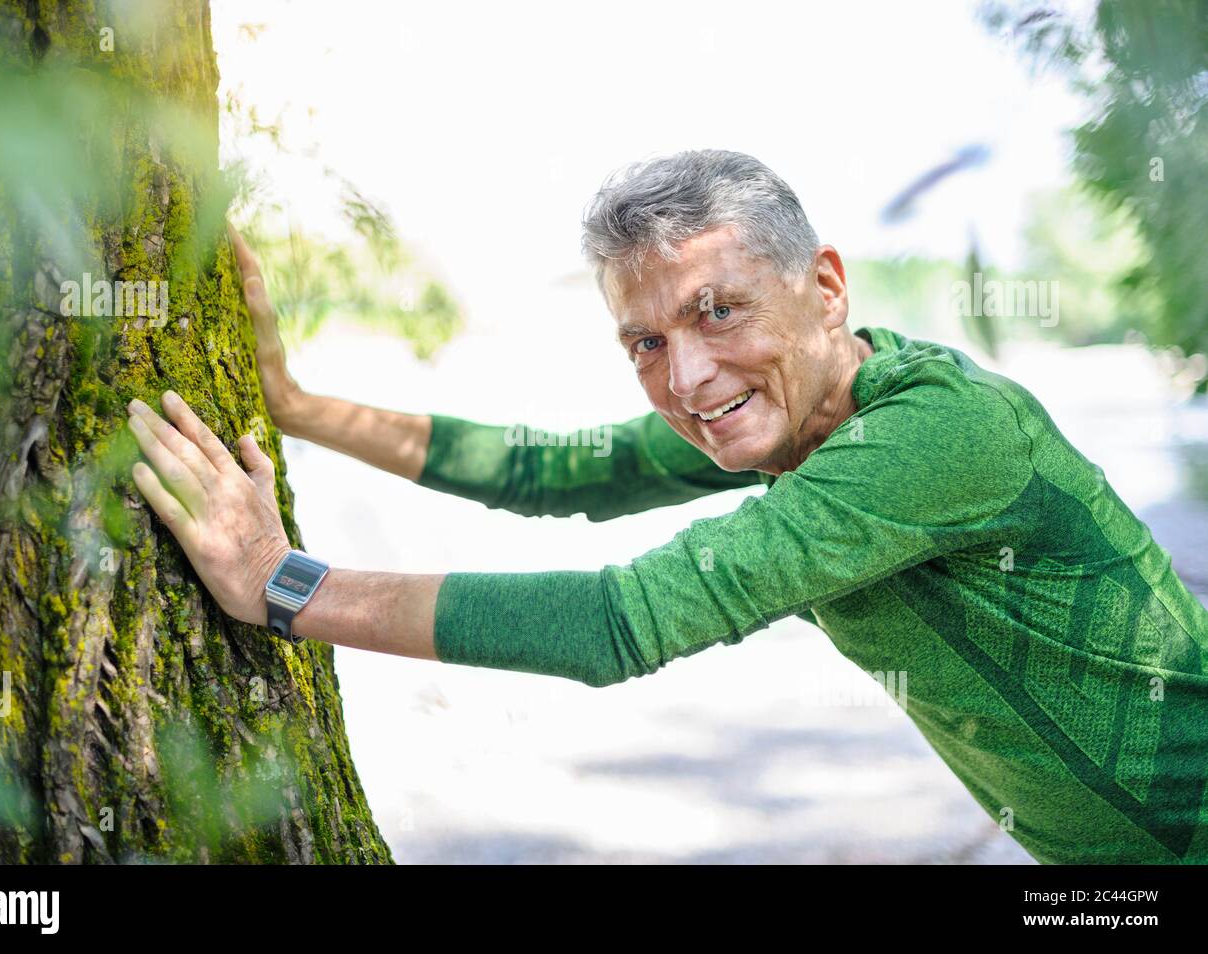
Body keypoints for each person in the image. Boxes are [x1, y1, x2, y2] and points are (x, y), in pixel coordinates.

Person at [126, 150, 1208, 864]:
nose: (686, 378)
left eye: (718, 311)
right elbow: (551, 471)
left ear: (825, 288)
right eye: (646, 342)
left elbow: (617, 623)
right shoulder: (792, 413)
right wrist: (299, 408)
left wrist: (280, 582)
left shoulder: (931, 434)